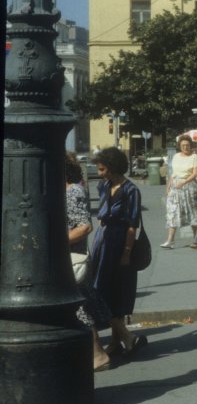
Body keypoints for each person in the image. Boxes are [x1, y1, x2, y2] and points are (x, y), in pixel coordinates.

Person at [90, 147, 147, 359]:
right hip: (103, 241)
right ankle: (122, 339)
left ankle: (120, 340)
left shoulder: (131, 190)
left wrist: (126, 252)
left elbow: (133, 225)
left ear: (113, 168)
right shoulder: (103, 186)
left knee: (119, 291)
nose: (100, 172)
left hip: (120, 241)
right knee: (102, 291)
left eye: (103, 168)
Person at [65, 153, 113, 371]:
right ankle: (124, 339)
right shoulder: (65, 190)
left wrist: (57, 242)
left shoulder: (73, 191)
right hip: (69, 257)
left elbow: (84, 226)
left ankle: (97, 354)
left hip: (72, 257)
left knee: (80, 305)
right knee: (87, 301)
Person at [162, 134, 197, 248]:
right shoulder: (175, 156)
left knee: (192, 212)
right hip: (176, 187)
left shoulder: (194, 157)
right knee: (173, 212)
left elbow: (195, 173)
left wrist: (184, 182)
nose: (185, 147)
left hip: (189, 187)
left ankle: (196, 239)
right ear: (179, 146)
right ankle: (170, 240)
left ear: (191, 146)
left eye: (187, 145)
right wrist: (169, 185)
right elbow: (173, 173)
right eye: (183, 145)